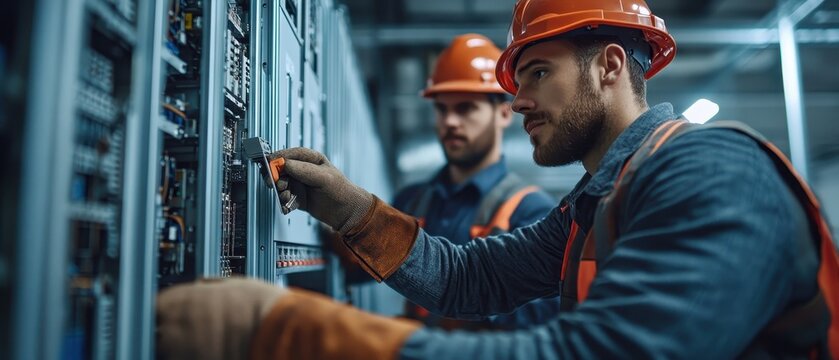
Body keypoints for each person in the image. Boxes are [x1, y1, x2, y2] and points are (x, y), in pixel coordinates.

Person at [156, 1, 839, 359]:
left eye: (536, 73)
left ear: (607, 66)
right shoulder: (596, 200)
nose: (516, 101)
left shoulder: (710, 173)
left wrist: (287, 335)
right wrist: (351, 209)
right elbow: (466, 279)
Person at [393, 33, 556, 329]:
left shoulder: (532, 211)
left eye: (465, 108)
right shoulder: (410, 201)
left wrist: (455, 319)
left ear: (504, 114)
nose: (450, 122)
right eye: (442, 109)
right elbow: (355, 263)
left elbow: (540, 317)